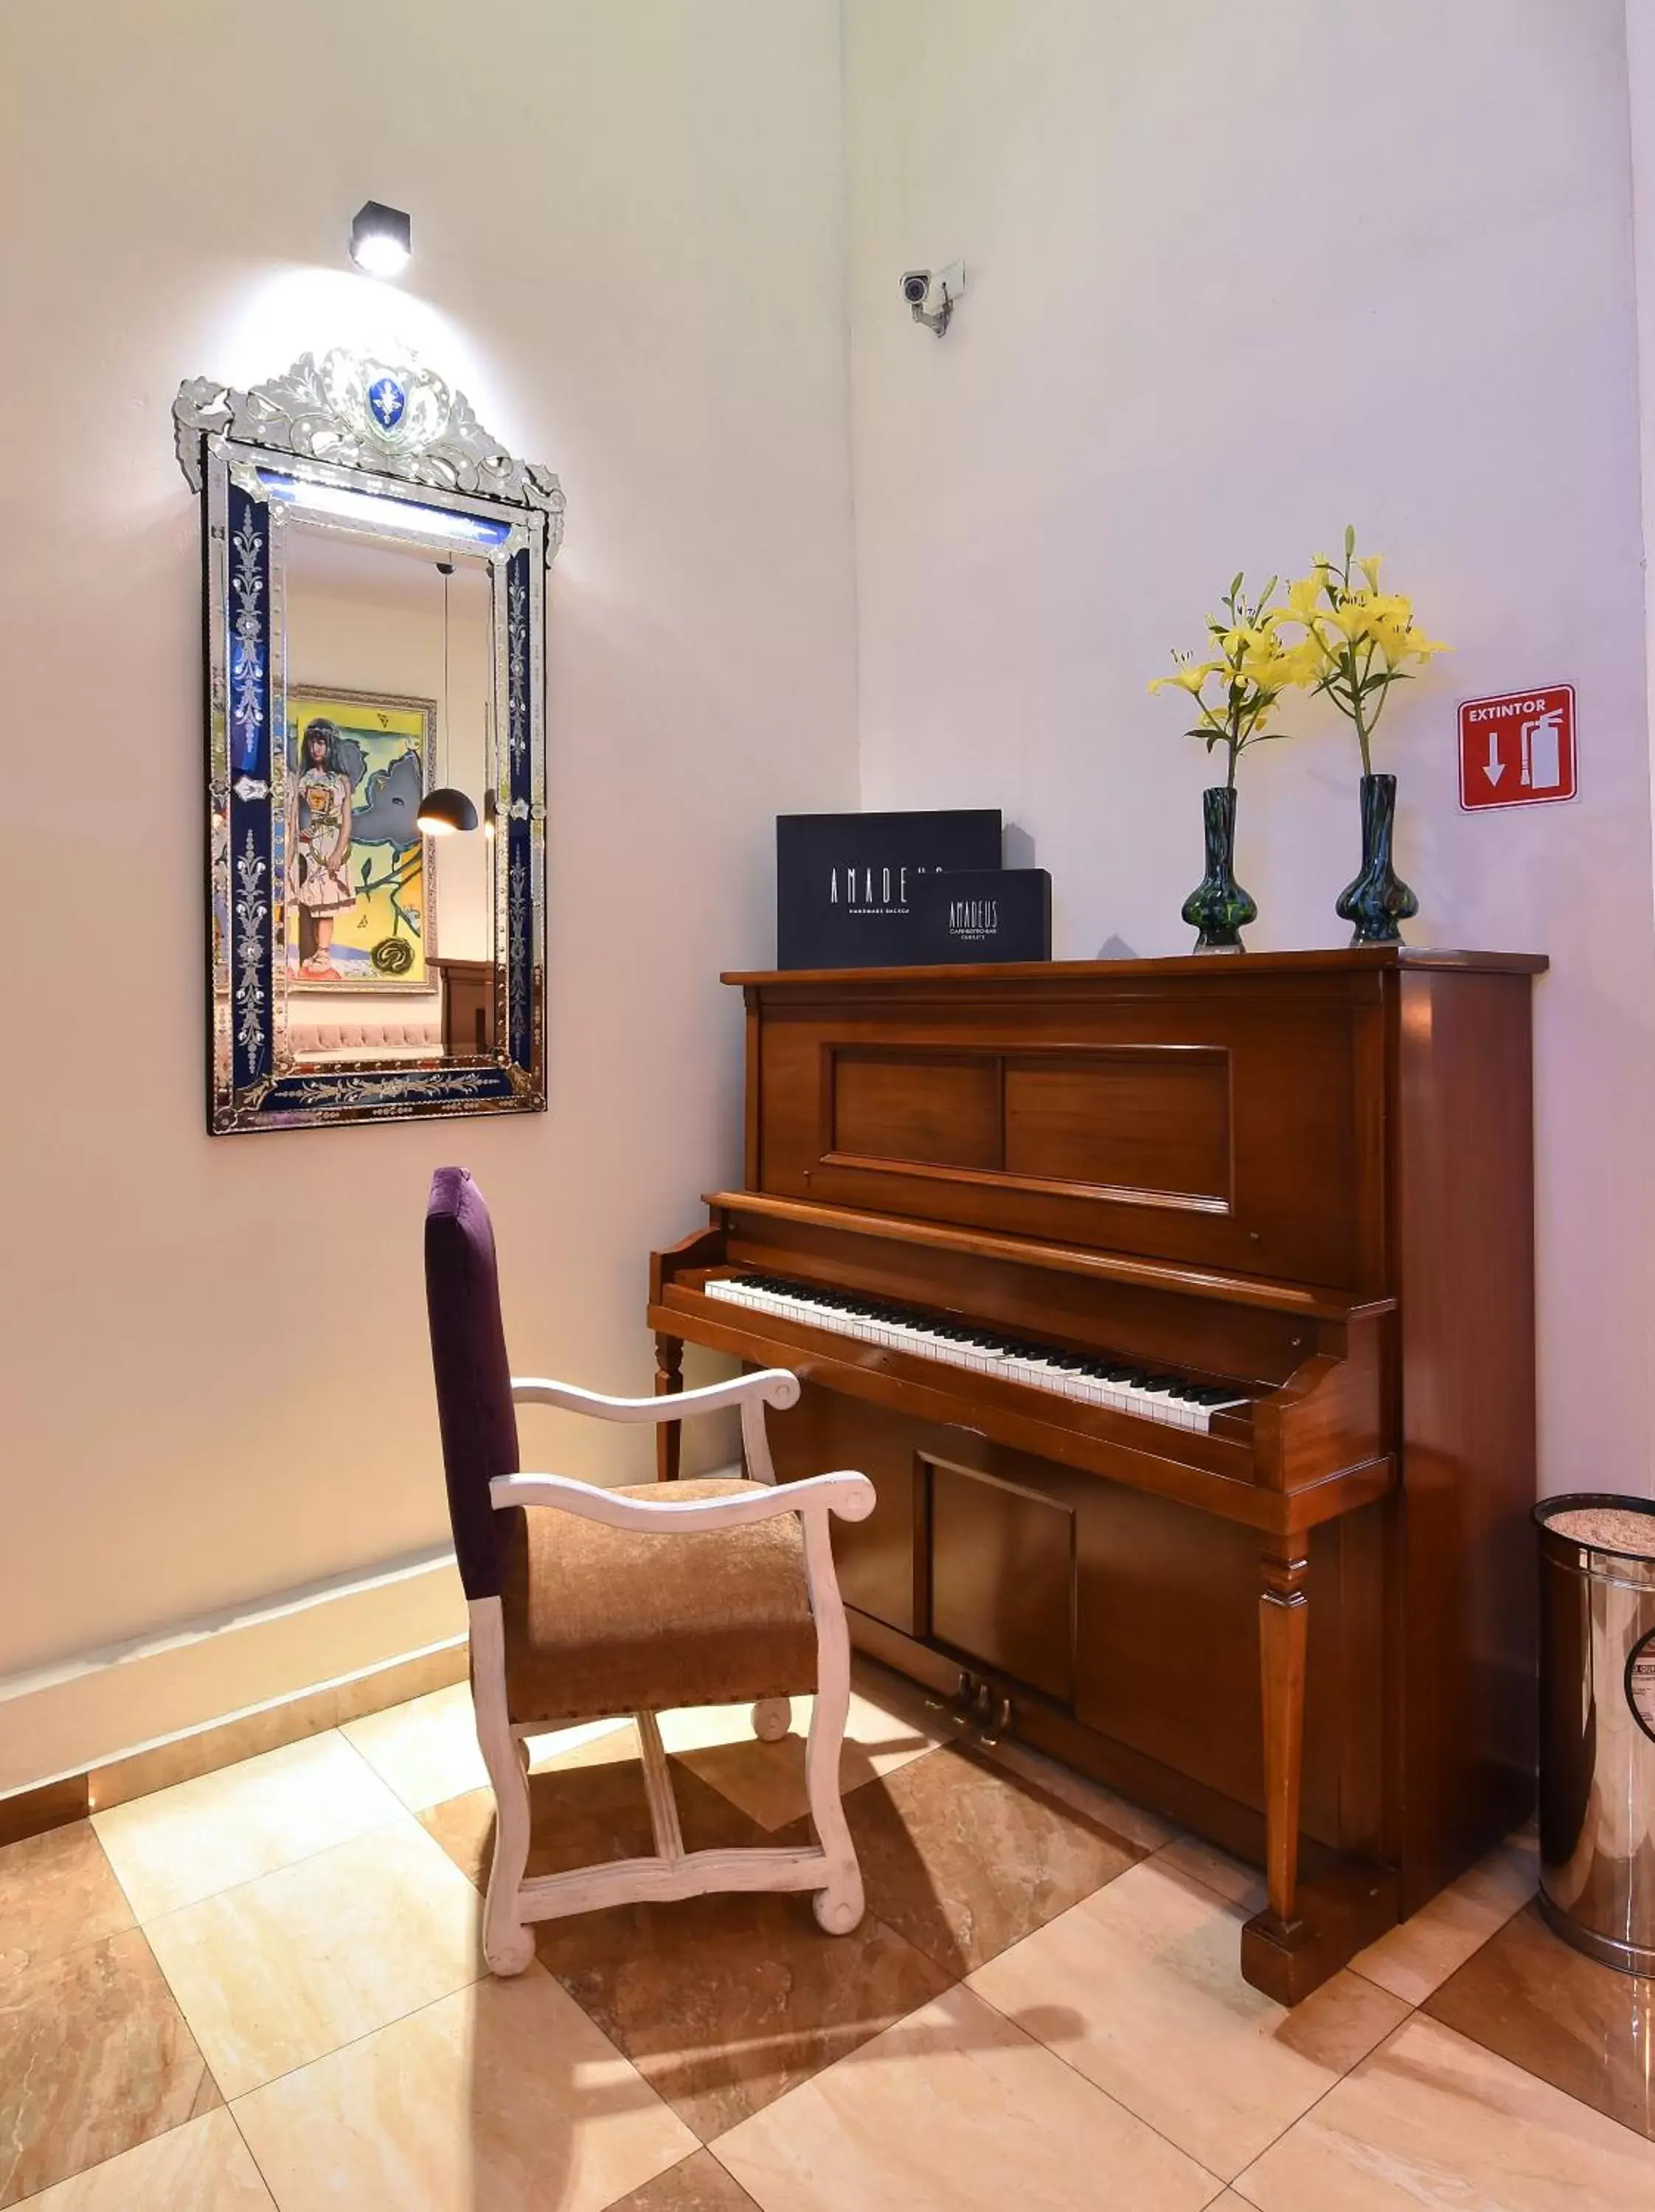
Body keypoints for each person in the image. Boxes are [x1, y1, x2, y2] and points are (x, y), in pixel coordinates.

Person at [288, 718, 355, 978]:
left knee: (327, 901)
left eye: (321, 743)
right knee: (309, 899)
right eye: (312, 743)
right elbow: (296, 814)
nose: (316, 749)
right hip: (309, 843)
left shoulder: (341, 780)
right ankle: (307, 952)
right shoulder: (303, 779)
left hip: (330, 842)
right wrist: (298, 835)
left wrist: (338, 851)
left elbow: (346, 821)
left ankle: (324, 952)